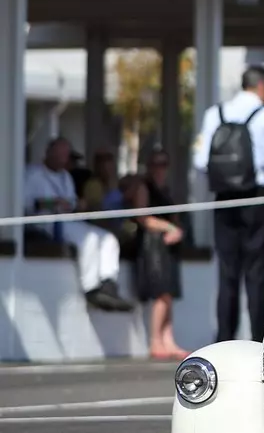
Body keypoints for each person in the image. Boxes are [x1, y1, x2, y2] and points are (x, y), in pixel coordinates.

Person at [193, 66, 264, 341]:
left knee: (227, 272)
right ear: (261, 85)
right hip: (256, 198)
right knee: (257, 272)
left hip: (224, 198)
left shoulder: (215, 113)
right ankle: (259, 340)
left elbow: (200, 161)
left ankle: (224, 338)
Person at [24, 137, 132, 312]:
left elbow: (72, 202)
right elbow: (26, 204)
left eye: (65, 155)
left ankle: (108, 284)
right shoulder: (32, 173)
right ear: (49, 153)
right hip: (44, 223)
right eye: (60, 154)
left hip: (68, 220)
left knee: (108, 238)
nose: (63, 158)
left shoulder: (65, 176)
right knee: (88, 239)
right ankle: (91, 289)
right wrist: (53, 203)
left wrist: (76, 204)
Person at [122, 162, 187, 359]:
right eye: (157, 163)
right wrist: (169, 228)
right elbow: (143, 217)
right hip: (152, 246)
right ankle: (156, 341)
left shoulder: (165, 190)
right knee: (160, 293)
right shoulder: (144, 187)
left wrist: (178, 231)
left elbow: (174, 218)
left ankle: (168, 340)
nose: (161, 168)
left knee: (168, 294)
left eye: (164, 163)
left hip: (167, 247)